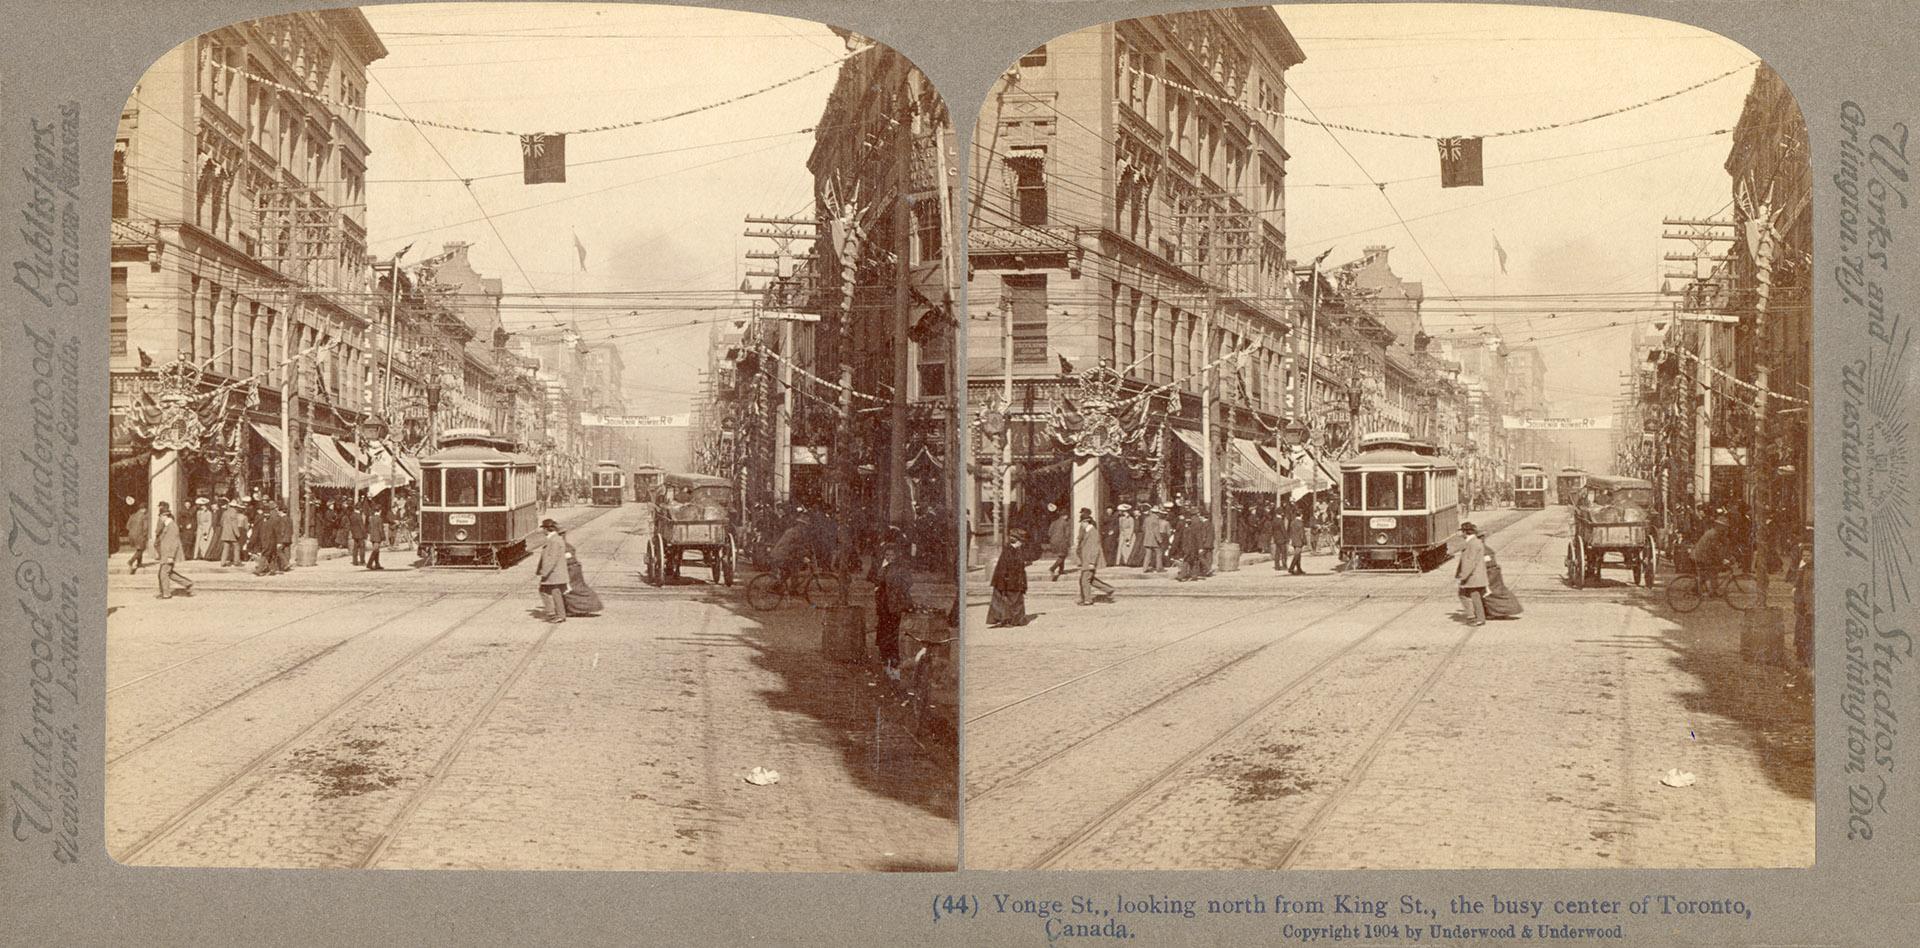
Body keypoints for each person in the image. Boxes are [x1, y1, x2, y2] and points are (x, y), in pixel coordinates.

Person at [875, 537, 915, 677]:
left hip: (896, 605)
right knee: (884, 633)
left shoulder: (901, 568)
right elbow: (878, 581)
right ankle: (886, 662)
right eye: (887, 555)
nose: (889, 557)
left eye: (891, 555)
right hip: (884, 605)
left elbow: (908, 583)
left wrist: (896, 590)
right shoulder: (884, 567)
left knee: (894, 634)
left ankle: (894, 663)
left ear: (897, 555)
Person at [987, 530, 1032, 627]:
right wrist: (1003, 584)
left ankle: (1015, 620)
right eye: (1021, 541)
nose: (1022, 544)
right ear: (1017, 541)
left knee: (1016, 600)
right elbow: (1004, 568)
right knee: (1007, 600)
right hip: (1007, 580)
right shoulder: (1008, 550)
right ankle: (1006, 620)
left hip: (1015, 580)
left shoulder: (1016, 550)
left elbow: (1017, 564)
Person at [1071, 508, 1115, 605]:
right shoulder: (1088, 531)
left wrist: (1092, 562)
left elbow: (1095, 548)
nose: (1081, 525)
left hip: (1090, 560)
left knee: (1085, 580)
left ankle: (1087, 599)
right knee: (1089, 579)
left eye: (1082, 523)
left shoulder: (1093, 532)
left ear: (1086, 522)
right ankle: (1108, 589)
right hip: (1086, 559)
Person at [153, 503, 194, 599]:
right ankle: (188, 583)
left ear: (165, 516)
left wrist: (171, 556)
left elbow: (174, 542)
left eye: (161, 516)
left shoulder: (172, 526)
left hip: (169, 554)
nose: (160, 518)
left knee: (163, 573)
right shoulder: (168, 525)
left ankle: (166, 594)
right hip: (165, 554)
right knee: (168, 573)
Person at [535, 519, 570, 623]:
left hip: (554, 573)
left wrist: (544, 572)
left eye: (543, 529)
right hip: (556, 572)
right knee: (553, 592)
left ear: (546, 529)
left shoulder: (554, 540)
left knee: (548, 592)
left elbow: (552, 559)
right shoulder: (555, 539)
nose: (542, 531)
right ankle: (555, 614)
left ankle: (556, 615)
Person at [1456, 522, 1489, 626]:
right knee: (1474, 596)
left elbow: (1469, 562)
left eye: (1462, 531)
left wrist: (1463, 576)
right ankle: (1477, 618)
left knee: (1465, 595)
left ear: (1466, 532)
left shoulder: (1471, 544)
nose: (1461, 533)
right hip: (1477, 575)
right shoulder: (1476, 542)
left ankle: (1475, 618)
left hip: (1472, 576)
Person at [562, 531, 603, 616]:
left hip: (571, 571)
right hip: (574, 570)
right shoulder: (566, 545)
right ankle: (574, 608)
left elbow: (569, 560)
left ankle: (582, 608)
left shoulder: (565, 547)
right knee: (575, 589)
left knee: (572, 589)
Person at [1692, 515, 1731, 597]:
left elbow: (1719, 546)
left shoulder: (1713, 532)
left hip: (1699, 555)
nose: (1725, 529)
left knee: (1704, 574)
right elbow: (1714, 549)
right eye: (1724, 527)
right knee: (1713, 571)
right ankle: (1713, 591)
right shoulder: (1714, 534)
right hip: (1702, 556)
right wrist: (1722, 559)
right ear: (1720, 526)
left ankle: (1696, 589)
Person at [1482, 543, 1523, 619]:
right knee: (1495, 592)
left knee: (1489, 593)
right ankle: (1496, 612)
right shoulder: (1486, 549)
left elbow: (1487, 563)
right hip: (1493, 573)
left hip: (1490, 574)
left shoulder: (1483, 550)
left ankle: (1495, 612)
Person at [219, 500, 249, 567]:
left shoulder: (225, 512)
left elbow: (221, 522)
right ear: (235, 507)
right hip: (232, 534)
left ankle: (222, 562)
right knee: (236, 547)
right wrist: (237, 534)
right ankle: (236, 562)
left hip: (225, 533)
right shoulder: (234, 513)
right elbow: (234, 525)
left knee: (226, 548)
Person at [1046, 503, 1071, 581]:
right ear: (1065, 515)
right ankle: (1052, 568)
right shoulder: (1065, 523)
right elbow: (1067, 534)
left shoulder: (1054, 522)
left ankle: (1061, 570)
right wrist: (1067, 542)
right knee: (1062, 556)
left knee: (1061, 555)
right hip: (1062, 541)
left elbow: (1049, 533)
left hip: (1053, 542)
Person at [1141, 505, 1168, 573]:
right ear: (1157, 513)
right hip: (1154, 540)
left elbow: (1143, 528)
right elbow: (1156, 531)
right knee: (1159, 553)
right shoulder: (1156, 520)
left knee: (1148, 554)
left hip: (1147, 539)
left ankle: (1145, 568)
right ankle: (1159, 568)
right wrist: (1160, 540)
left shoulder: (1146, 519)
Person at [124, 498, 148, 574]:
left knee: (139, 549)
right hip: (140, 535)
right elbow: (145, 528)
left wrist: (132, 531)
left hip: (131, 536)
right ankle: (130, 561)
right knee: (141, 549)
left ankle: (139, 563)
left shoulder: (133, 515)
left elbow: (127, 526)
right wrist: (145, 535)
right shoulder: (144, 516)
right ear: (144, 509)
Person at [1286, 503, 1308, 575]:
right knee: (1297, 555)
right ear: (1301, 515)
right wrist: (1305, 541)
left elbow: (1290, 531)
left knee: (1298, 555)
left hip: (1294, 540)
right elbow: (1302, 534)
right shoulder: (1301, 523)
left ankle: (1299, 569)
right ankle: (1291, 568)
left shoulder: (1292, 522)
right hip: (1299, 541)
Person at [364, 506, 385, 571]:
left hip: (372, 536)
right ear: (380, 511)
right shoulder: (379, 519)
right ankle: (369, 564)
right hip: (377, 536)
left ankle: (377, 564)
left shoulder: (371, 518)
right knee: (375, 550)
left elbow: (369, 527)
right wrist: (383, 537)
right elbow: (380, 529)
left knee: (377, 550)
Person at [348, 501, 368, 566]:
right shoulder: (358, 516)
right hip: (360, 534)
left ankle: (355, 561)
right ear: (360, 508)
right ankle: (362, 561)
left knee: (355, 548)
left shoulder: (352, 515)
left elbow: (351, 525)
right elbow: (361, 526)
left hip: (354, 534)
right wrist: (365, 534)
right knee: (362, 548)